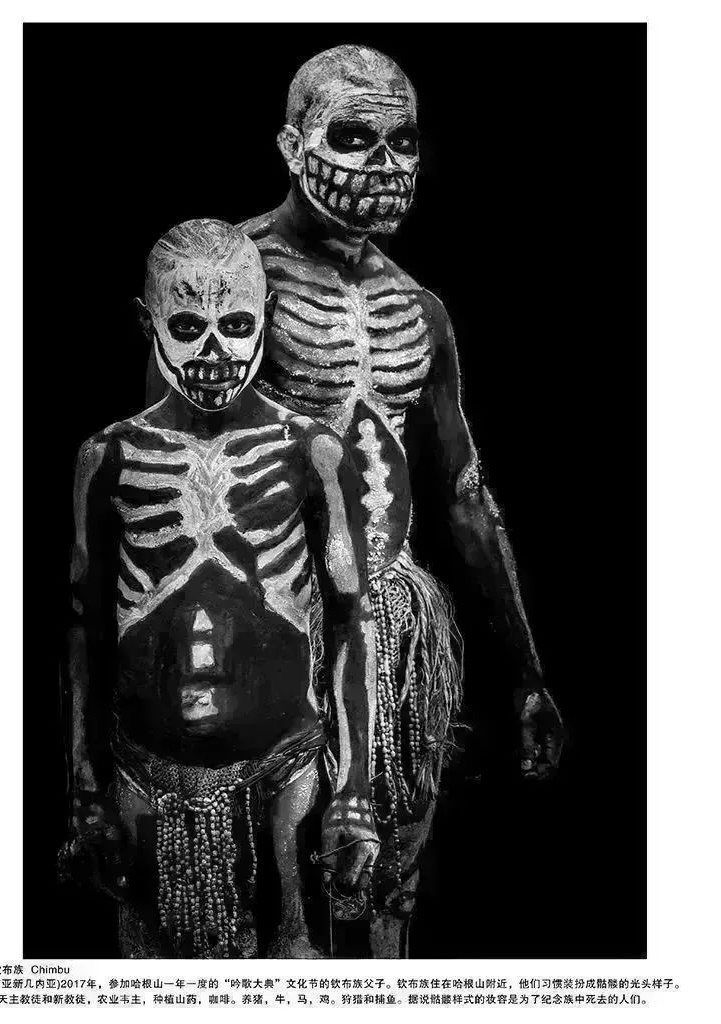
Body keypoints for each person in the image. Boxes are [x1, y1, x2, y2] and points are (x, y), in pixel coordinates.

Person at [146, 45, 564, 959]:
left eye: (403, 141)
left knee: (385, 892)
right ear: (292, 146)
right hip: (266, 623)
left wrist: (525, 673)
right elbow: (168, 461)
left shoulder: (421, 308)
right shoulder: (227, 284)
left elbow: (464, 494)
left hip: (396, 624)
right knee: (266, 904)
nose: (384, 164)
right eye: (352, 137)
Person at [64, 218, 379, 958]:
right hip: (145, 774)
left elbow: (350, 616)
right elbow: (82, 627)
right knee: (153, 986)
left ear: (267, 317)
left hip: (287, 771)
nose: (214, 354)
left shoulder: (312, 450)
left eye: (236, 326)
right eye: (187, 327)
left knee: (300, 973)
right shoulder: (108, 457)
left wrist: (355, 786)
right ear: (146, 323)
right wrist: (83, 783)